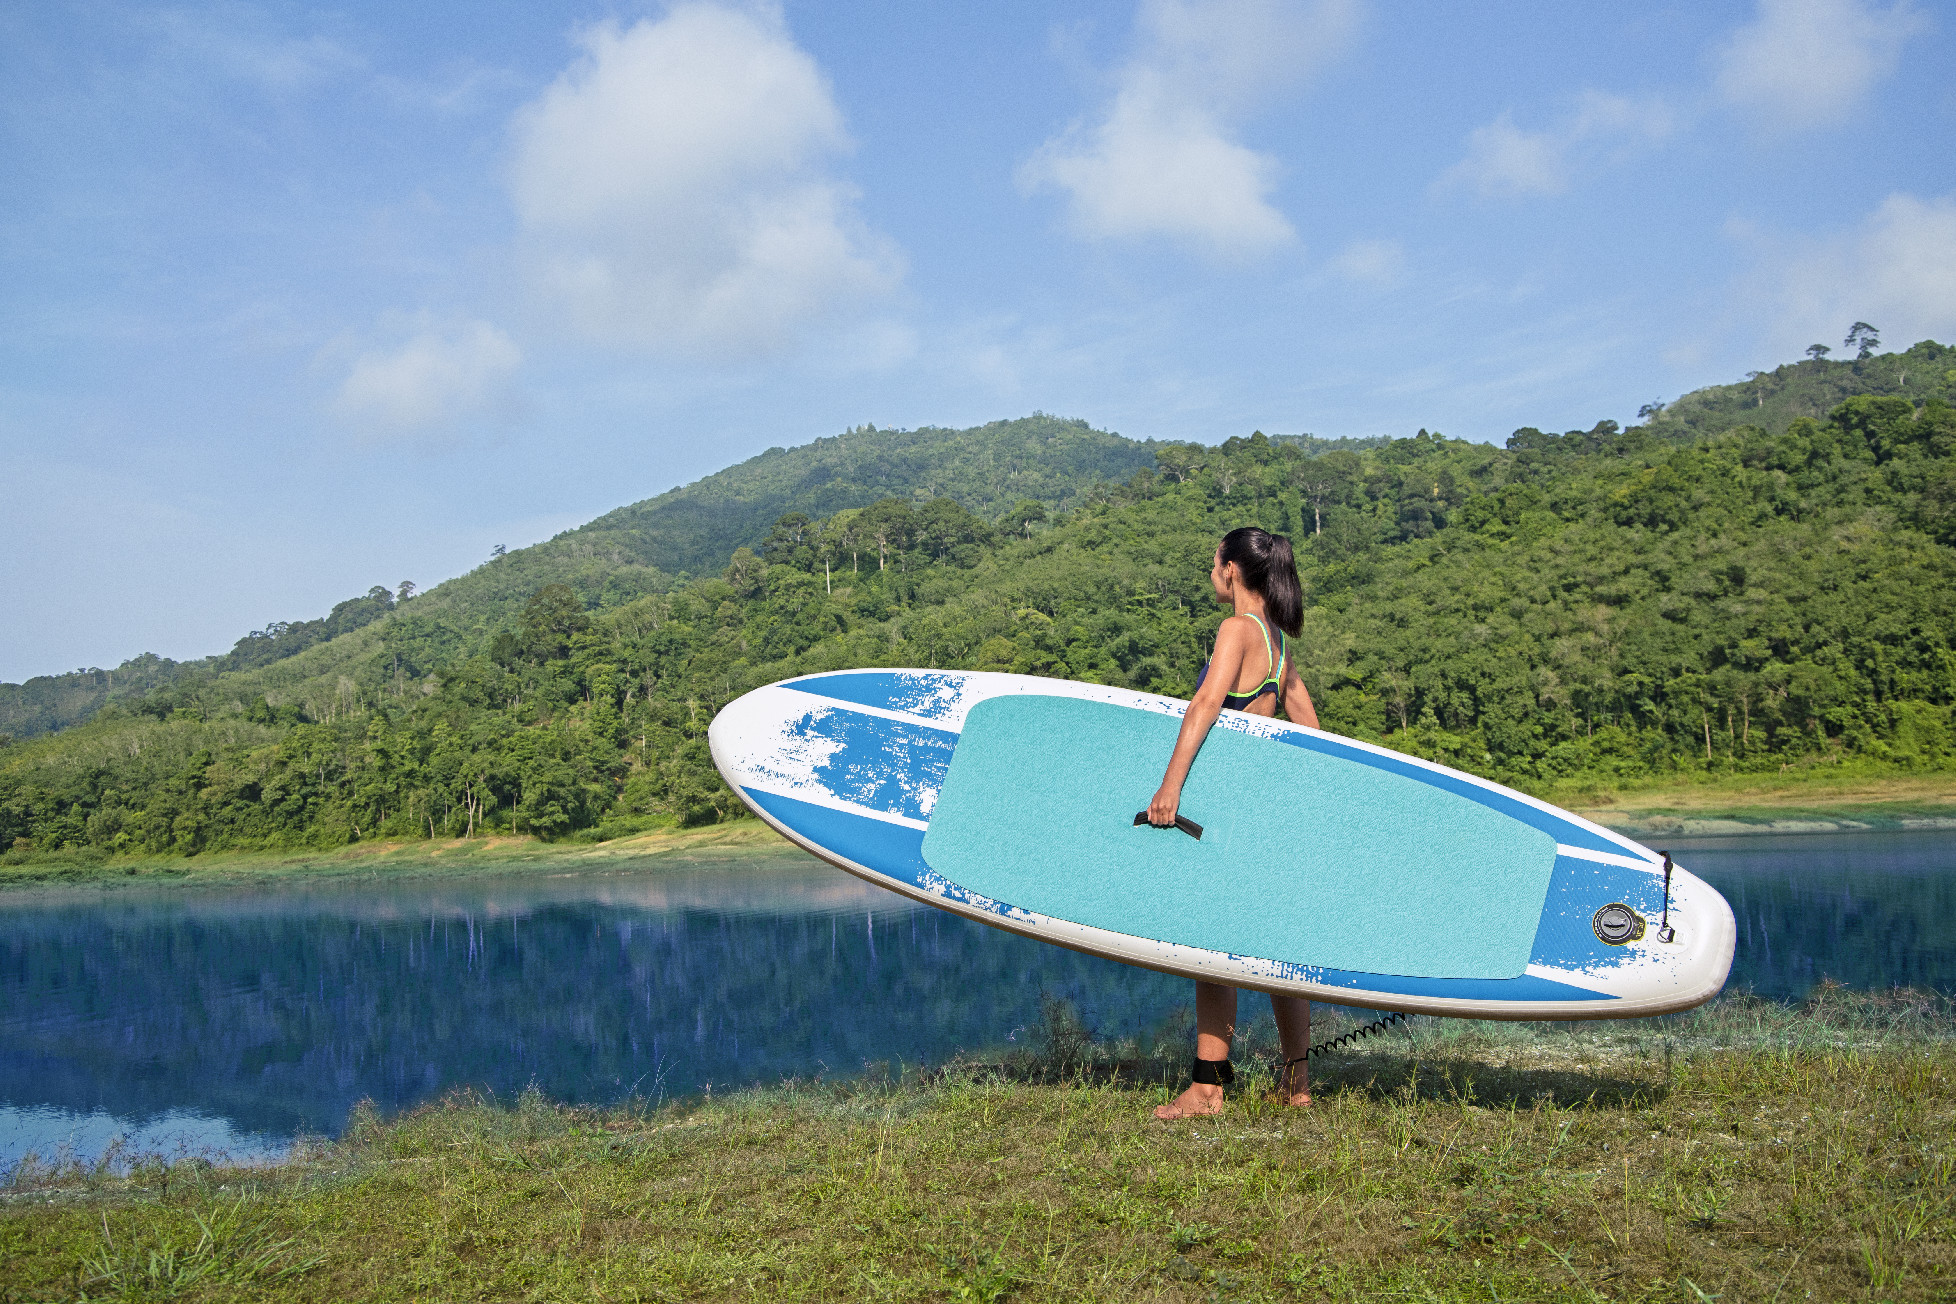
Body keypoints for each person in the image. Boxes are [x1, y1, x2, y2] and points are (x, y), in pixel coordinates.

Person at [1146, 526, 1319, 1120]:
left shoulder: (1236, 630)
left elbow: (1204, 704)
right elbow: (1311, 731)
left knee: (1210, 950)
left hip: (1224, 815)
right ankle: (1297, 1085)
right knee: (1275, 947)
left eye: (1213, 562)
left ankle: (1207, 1090)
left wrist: (1170, 787)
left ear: (1232, 570)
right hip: (1262, 812)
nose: (1210, 571)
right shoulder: (1277, 644)